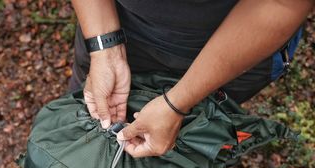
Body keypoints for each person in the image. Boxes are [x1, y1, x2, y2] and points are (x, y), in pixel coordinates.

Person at [69, 0, 314, 158]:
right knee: (83, 132)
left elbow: (282, 4)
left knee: (189, 149)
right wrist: (104, 46)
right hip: (115, 24)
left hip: (234, 50)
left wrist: (178, 102)